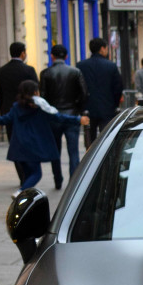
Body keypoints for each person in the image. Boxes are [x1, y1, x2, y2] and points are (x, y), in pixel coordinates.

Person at [0, 80, 87, 190]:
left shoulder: (17, 107)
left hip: (20, 146)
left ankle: (24, 199)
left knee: (28, 176)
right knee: (37, 174)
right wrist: (78, 119)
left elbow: (3, 119)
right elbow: (59, 118)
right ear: (36, 92)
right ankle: (20, 193)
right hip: (34, 147)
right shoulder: (41, 108)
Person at [39, 44, 86, 189]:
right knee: (73, 151)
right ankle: (73, 183)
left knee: (55, 150)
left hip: (54, 116)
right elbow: (84, 93)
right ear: (66, 57)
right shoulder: (75, 72)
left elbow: (43, 96)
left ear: (52, 56)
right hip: (71, 114)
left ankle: (57, 179)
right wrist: (78, 108)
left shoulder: (46, 73)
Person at [0, 42, 40, 183]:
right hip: (28, 113)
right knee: (29, 143)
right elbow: (37, 93)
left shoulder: (1, 71)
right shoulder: (29, 70)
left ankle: (22, 176)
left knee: (14, 144)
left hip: (9, 113)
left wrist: (3, 111)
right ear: (22, 53)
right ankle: (29, 174)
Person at [76, 36, 124, 146]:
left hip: (88, 108)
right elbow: (118, 87)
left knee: (90, 140)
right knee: (106, 140)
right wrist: (114, 104)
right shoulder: (111, 66)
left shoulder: (81, 66)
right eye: (106, 48)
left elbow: (77, 87)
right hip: (107, 108)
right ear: (102, 49)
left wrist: (81, 106)